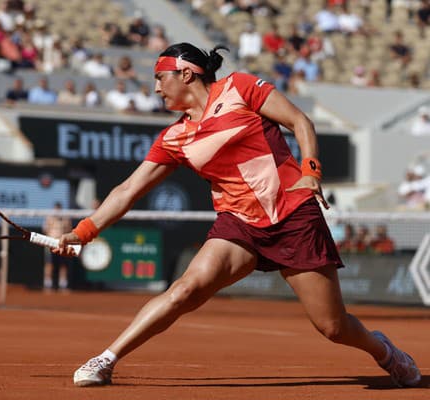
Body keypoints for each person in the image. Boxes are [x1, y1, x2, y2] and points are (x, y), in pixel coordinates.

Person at [54, 43, 421, 388]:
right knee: (185, 289)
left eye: (159, 77)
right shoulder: (173, 137)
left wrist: (310, 170)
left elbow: (299, 120)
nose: (155, 89)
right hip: (239, 224)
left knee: (333, 327)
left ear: (186, 74)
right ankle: (106, 359)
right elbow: (127, 191)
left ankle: (384, 351)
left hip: (293, 215)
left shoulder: (240, 88)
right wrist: (84, 231)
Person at [42, 202, 72, 291]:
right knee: (49, 263)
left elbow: (69, 230)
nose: (57, 211)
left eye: (59, 209)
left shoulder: (66, 219)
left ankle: (63, 283)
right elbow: (45, 230)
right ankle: (48, 283)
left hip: (62, 244)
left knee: (63, 264)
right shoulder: (49, 218)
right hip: (51, 244)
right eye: (56, 209)